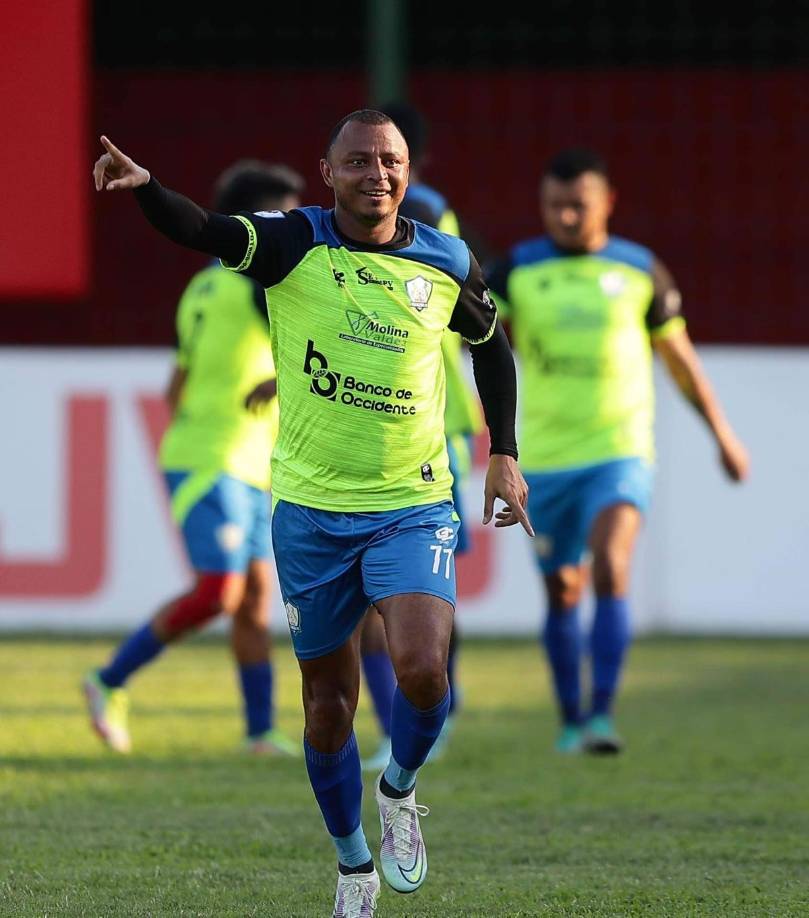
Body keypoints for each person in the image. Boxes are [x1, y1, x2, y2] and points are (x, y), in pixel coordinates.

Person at [92, 109, 531, 917]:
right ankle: (352, 863)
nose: (377, 174)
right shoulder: (294, 241)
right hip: (310, 512)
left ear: (409, 170)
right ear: (327, 172)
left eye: (389, 160)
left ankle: (397, 790)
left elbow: (491, 344)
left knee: (423, 671)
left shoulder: (444, 258)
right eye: (358, 161)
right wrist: (147, 187)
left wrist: (503, 451)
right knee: (328, 708)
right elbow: (202, 228)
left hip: (412, 501)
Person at [486, 147, 749, 756]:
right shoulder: (516, 271)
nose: (566, 218)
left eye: (578, 206)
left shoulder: (639, 271)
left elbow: (679, 362)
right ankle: (570, 719)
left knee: (611, 562)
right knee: (563, 591)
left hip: (619, 450)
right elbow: (485, 347)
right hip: (547, 460)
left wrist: (723, 436)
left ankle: (602, 716)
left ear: (607, 202)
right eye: (554, 206)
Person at [83, 159, 305, 757]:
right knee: (219, 592)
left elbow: (176, 385)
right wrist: (277, 388)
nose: (293, 228)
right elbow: (318, 355)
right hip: (215, 460)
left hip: (241, 460)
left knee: (257, 598)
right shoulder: (265, 284)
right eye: (282, 215)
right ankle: (108, 680)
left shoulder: (202, 285)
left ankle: (259, 733)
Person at [358, 102, 484, 773]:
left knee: (419, 586)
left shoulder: (426, 215)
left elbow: (463, 307)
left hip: (428, 416)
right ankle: (429, 709)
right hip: (417, 415)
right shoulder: (435, 206)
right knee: (409, 587)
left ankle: (433, 705)